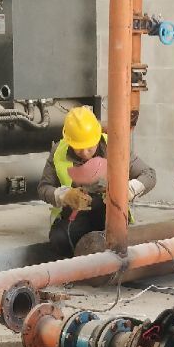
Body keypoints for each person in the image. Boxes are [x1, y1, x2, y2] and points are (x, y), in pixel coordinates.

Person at [39, 106, 156, 255]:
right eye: (78, 148)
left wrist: (128, 190)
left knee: (114, 241)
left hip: (109, 210)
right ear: (69, 141)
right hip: (75, 213)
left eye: (89, 147)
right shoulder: (58, 152)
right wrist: (65, 196)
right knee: (59, 239)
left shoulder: (115, 147)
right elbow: (43, 188)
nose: (85, 153)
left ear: (97, 136)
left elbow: (149, 174)